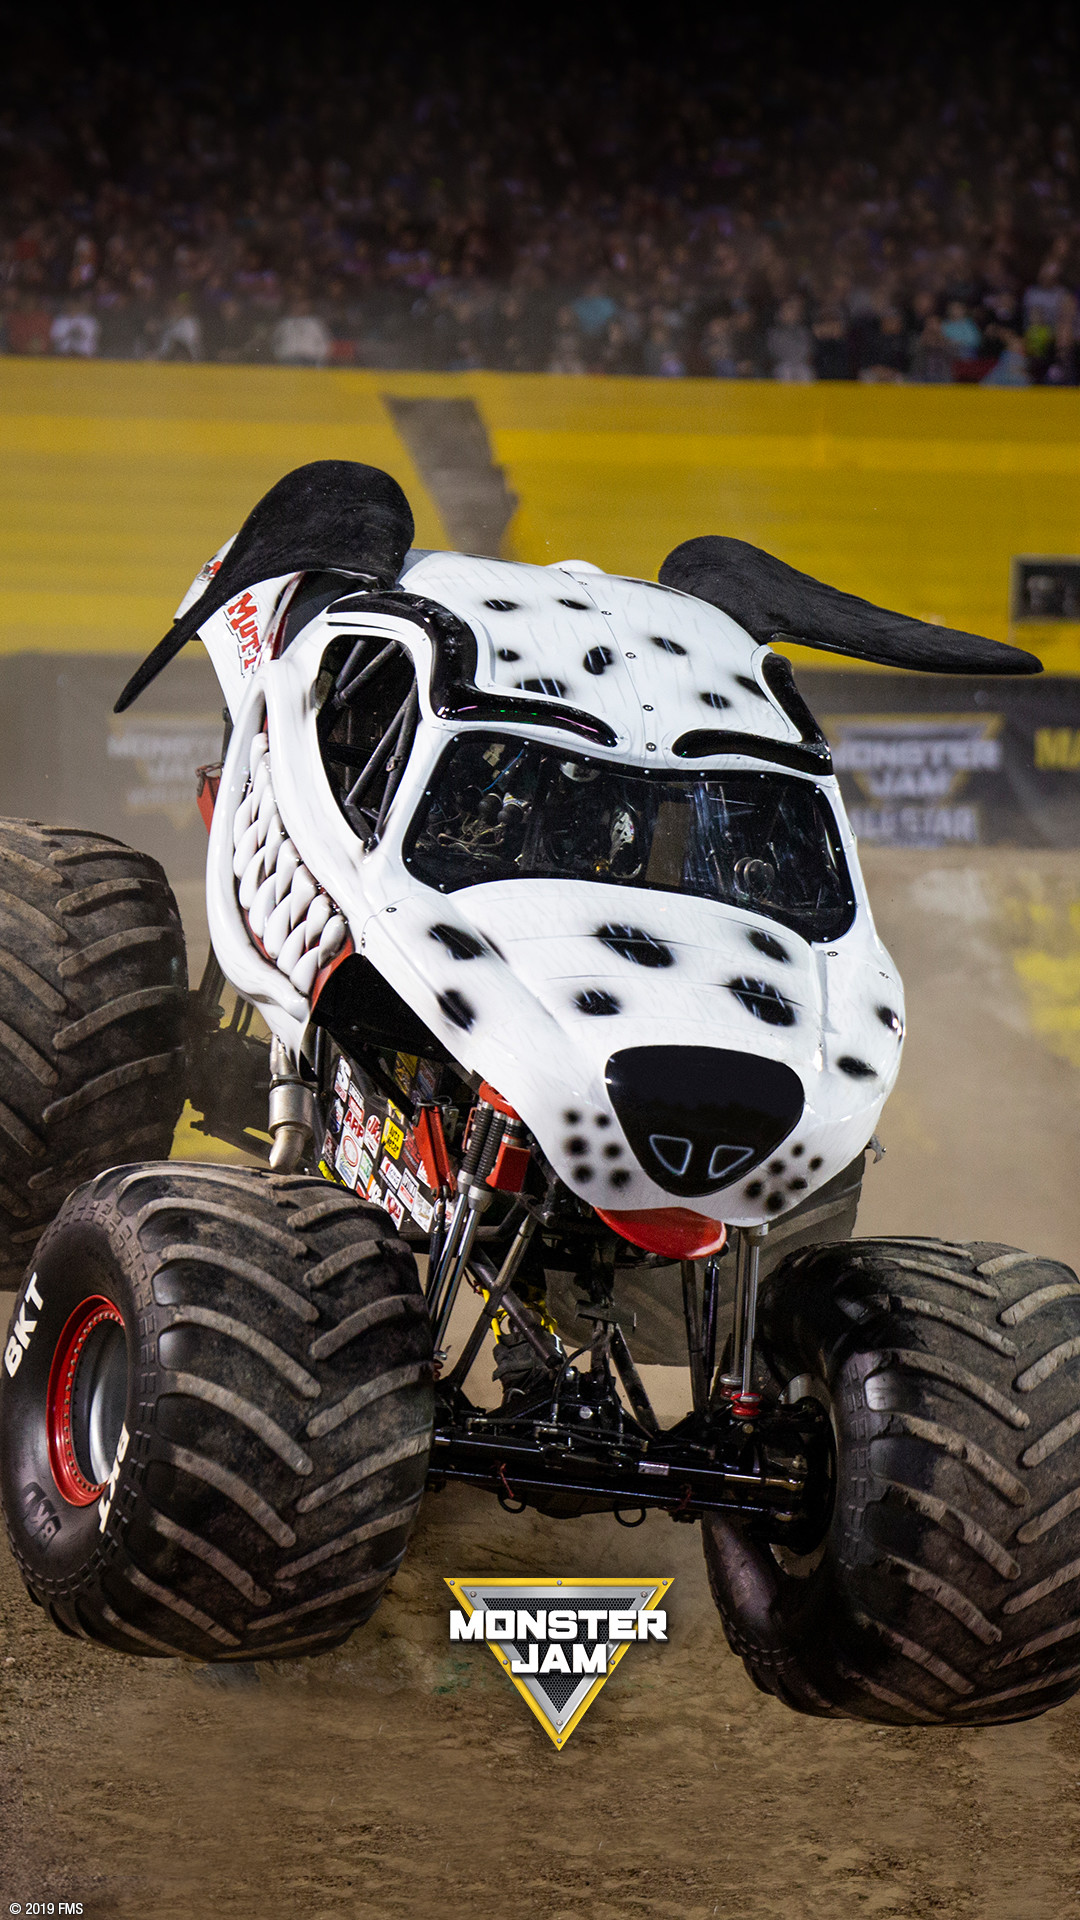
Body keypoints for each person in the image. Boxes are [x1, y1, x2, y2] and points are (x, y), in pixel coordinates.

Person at [766, 295, 814, 381]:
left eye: (794, 310)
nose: (793, 312)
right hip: (782, 365)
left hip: (801, 365)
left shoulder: (803, 332)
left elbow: (808, 351)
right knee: (785, 370)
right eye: (789, 309)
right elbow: (773, 352)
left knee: (806, 372)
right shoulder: (774, 332)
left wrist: (797, 361)